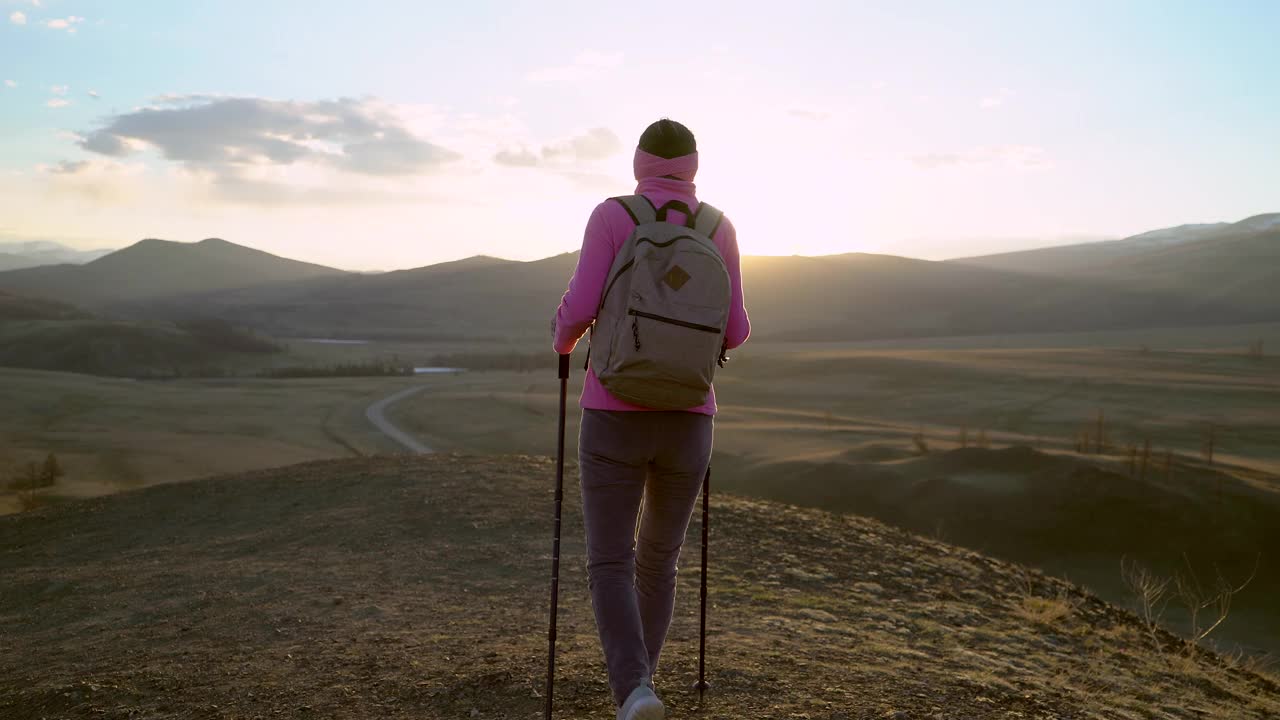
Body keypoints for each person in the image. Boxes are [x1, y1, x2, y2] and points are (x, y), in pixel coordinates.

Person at [551, 118, 751, 719]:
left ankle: (635, 690)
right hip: (690, 419)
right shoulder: (719, 226)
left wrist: (563, 340)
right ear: (693, 166)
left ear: (639, 162)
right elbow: (736, 330)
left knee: (610, 560)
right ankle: (643, 688)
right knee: (657, 559)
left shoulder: (613, 216)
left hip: (614, 410)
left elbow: (580, 308)